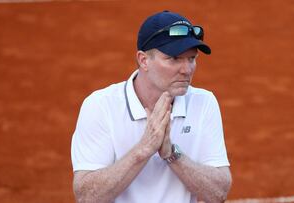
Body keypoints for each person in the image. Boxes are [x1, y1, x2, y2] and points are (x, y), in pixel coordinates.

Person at [71, 10, 232, 203]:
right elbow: (87, 197)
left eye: (192, 59)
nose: (187, 69)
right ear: (144, 60)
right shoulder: (100, 106)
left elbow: (219, 193)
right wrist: (144, 149)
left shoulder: (204, 102)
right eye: (174, 59)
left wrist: (172, 154)